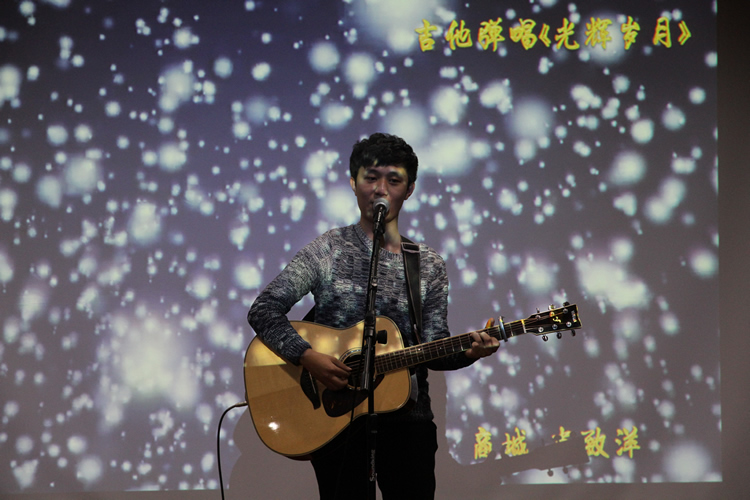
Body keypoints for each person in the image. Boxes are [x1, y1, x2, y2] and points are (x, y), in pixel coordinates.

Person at [247, 132, 499, 499]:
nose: (381, 189)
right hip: (337, 421)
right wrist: (308, 357)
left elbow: (435, 348)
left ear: (409, 190)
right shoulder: (329, 249)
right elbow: (264, 309)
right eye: (371, 177)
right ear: (353, 183)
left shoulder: (427, 265)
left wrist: (470, 353)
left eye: (393, 180)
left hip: (408, 422)